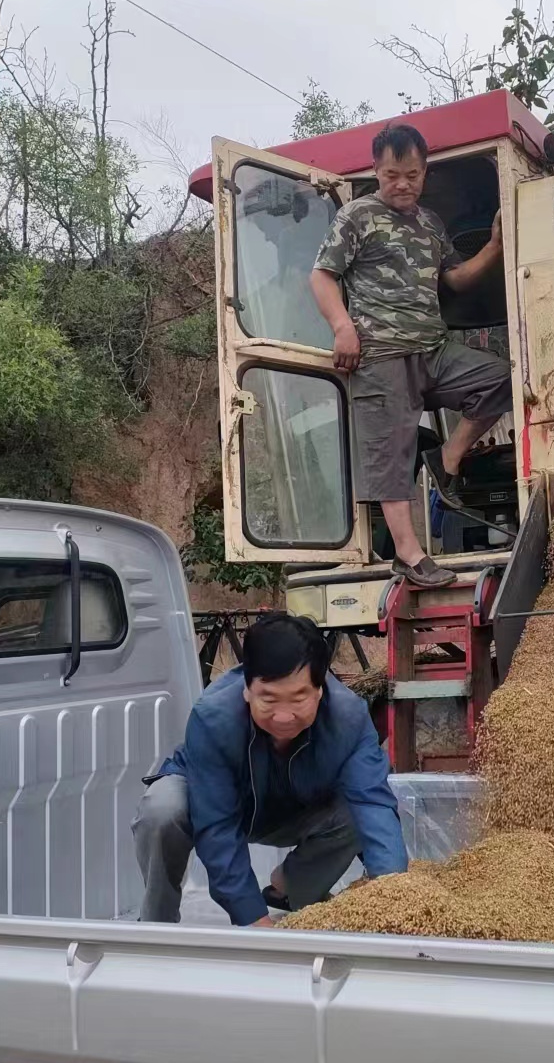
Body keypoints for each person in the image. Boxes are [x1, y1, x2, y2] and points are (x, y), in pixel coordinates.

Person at [309, 122, 512, 589]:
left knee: (501, 379)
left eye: (413, 175)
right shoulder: (357, 217)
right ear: (377, 171)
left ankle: (450, 456)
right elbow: (321, 277)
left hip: (432, 349)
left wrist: (496, 246)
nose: (402, 184)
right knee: (391, 452)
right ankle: (409, 554)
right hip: (380, 354)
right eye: (392, 174)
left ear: (424, 174)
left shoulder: (430, 224)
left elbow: (456, 280)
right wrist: (342, 327)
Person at [130, 613, 408, 926]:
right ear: (247, 689)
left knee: (360, 808)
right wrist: (253, 919)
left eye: (299, 698)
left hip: (299, 808)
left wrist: (393, 895)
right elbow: (217, 828)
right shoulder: (213, 718)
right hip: (219, 805)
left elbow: (373, 806)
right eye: (269, 699)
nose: (284, 716)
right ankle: (157, 924)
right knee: (162, 807)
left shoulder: (349, 719)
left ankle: (290, 885)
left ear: (320, 690)